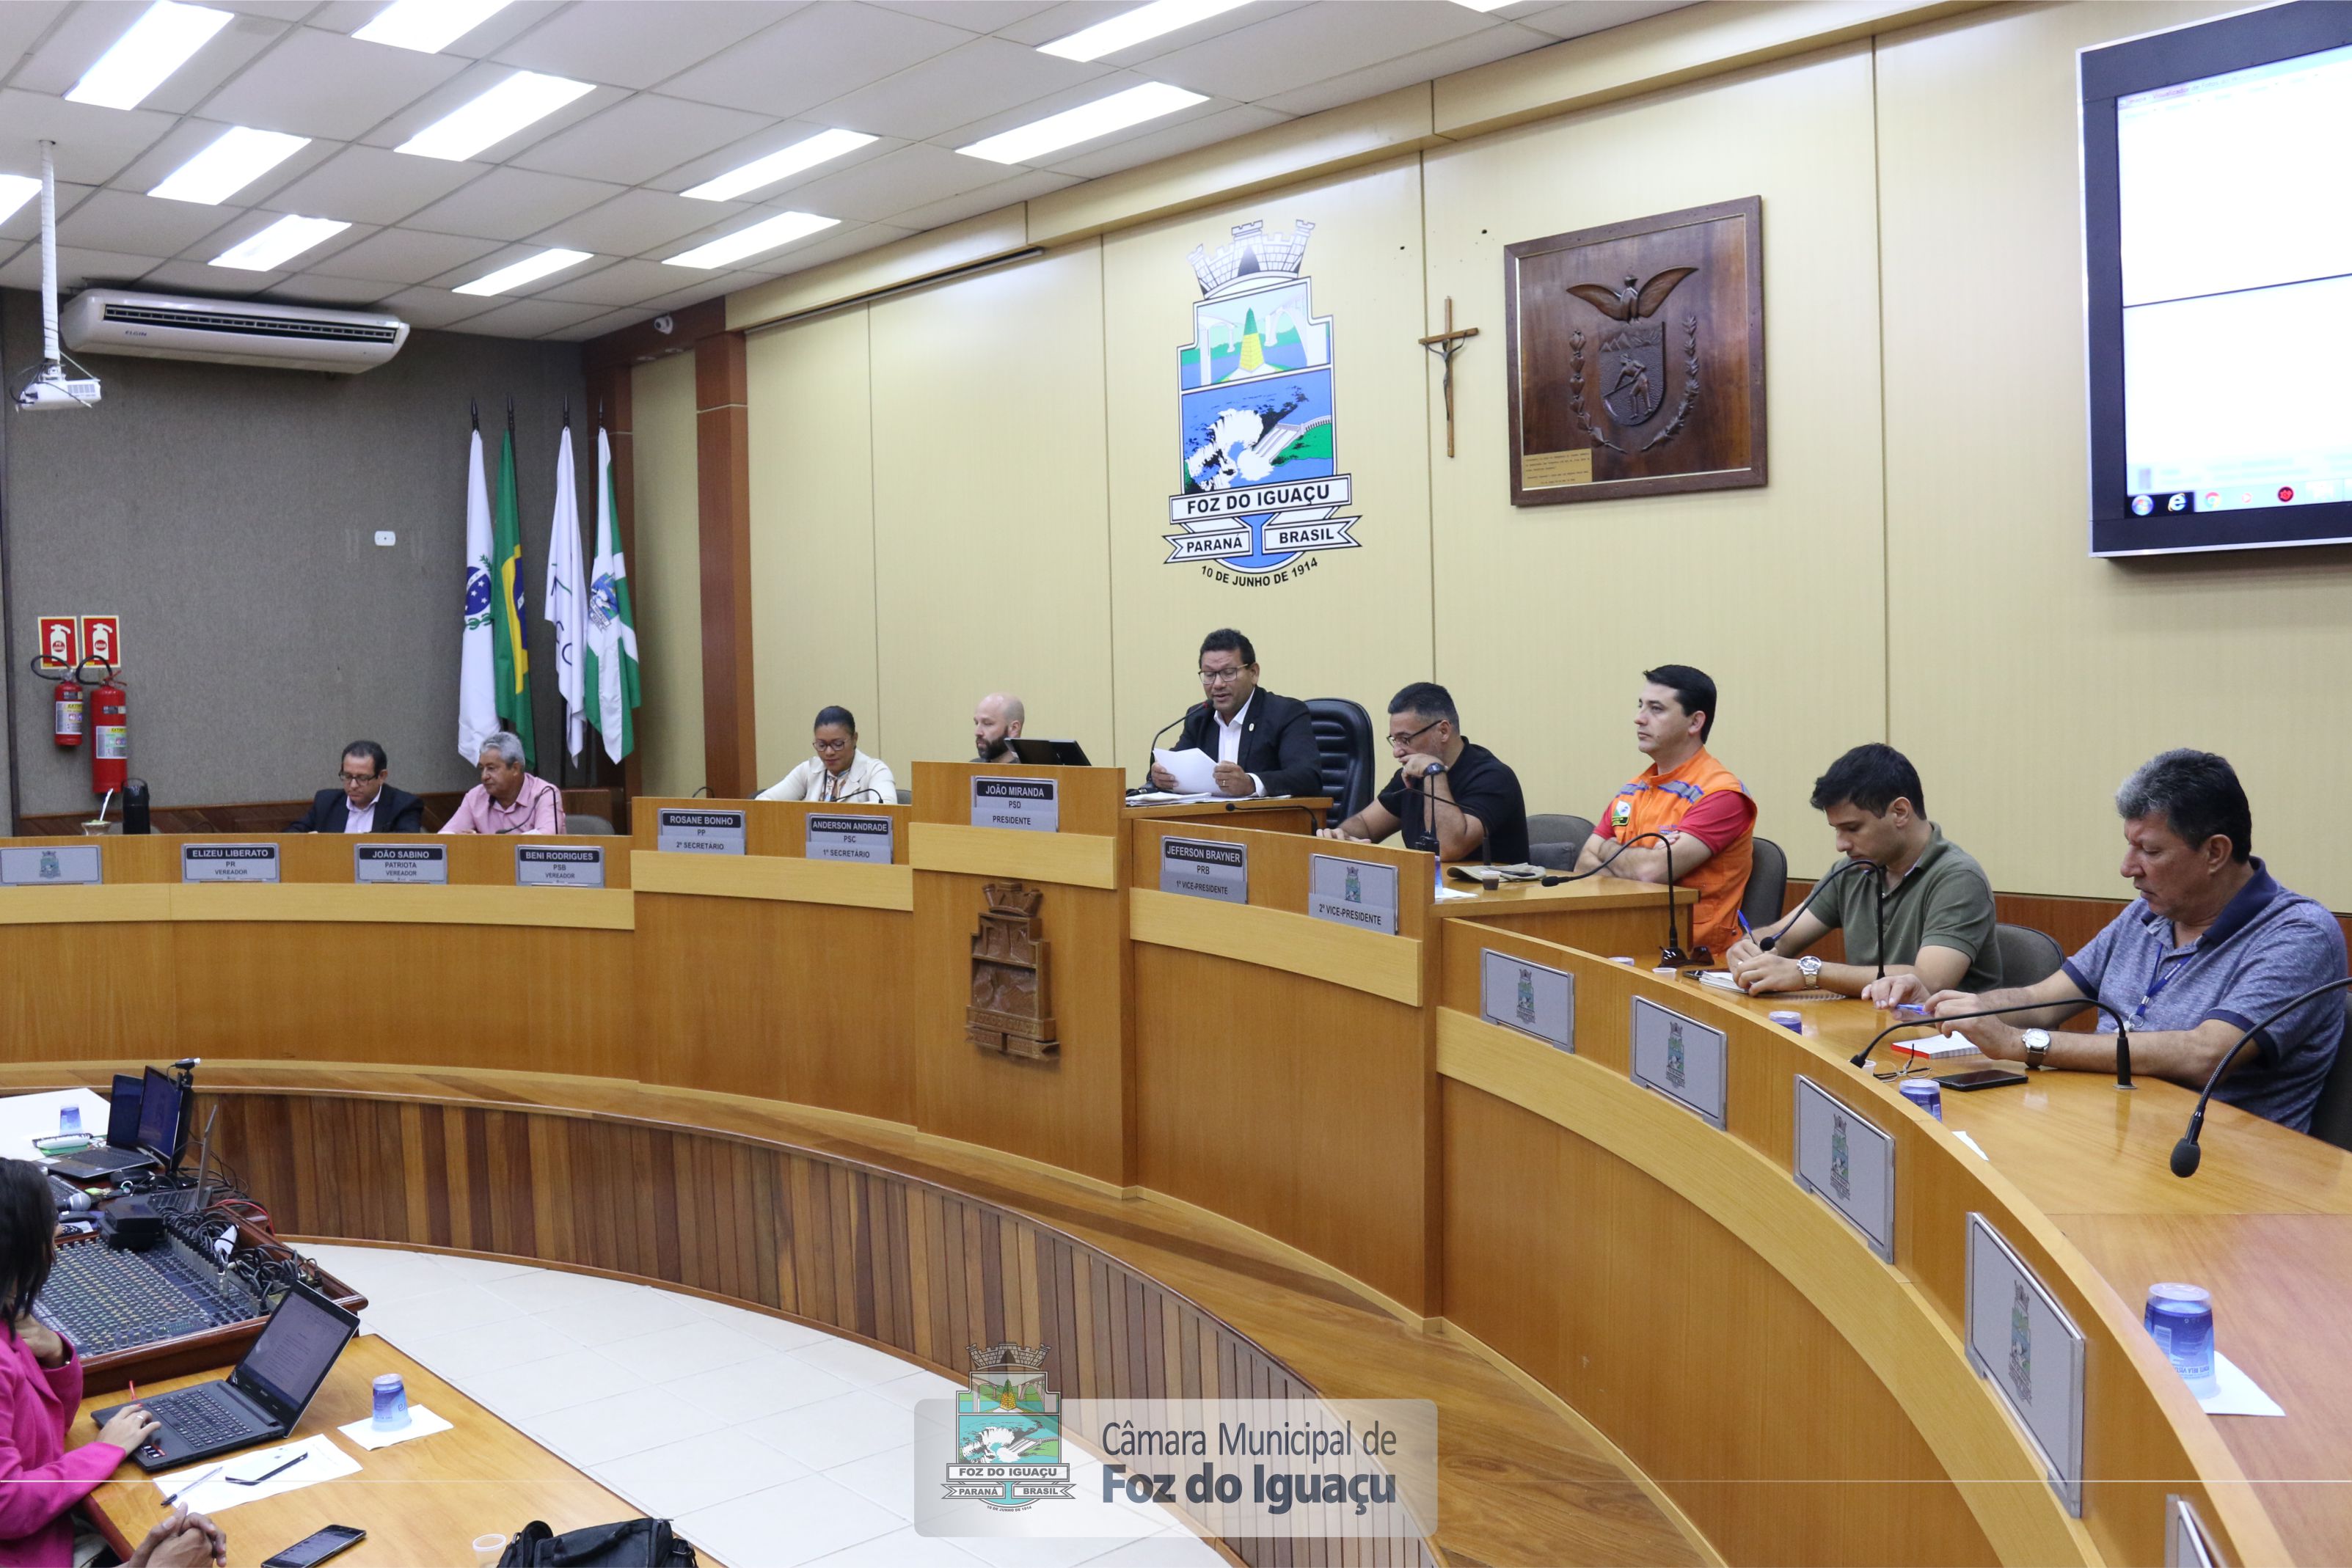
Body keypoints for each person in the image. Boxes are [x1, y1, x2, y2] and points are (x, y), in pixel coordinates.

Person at [1879, 750, 2347, 1132]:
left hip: (2218, 1167)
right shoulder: (2147, 914)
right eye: (2130, 845)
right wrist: (1951, 1005)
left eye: (2150, 850)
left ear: (2215, 852)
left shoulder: (2297, 934)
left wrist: (2023, 1044)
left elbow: (2206, 1053)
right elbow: (2043, 1002)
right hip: (2109, 1129)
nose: (2127, 868)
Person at [0, 1159, 228, 1567]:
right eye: (48, 1236)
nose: (56, 1246)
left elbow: (45, 1436)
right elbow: (9, 1507)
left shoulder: (10, 1323)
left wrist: (56, 1355)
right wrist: (105, 1450)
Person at [1725, 744, 1998, 998]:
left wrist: (1810, 973)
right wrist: (1749, 948)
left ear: (1900, 812)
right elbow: (1782, 937)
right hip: (1869, 1023)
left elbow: (1929, 980)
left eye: (1852, 828)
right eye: (1837, 830)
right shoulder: (1852, 871)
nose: (1841, 845)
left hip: (1940, 1031)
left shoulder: (1959, 878)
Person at [1572, 665, 1755, 959]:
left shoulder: (1721, 795)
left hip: (1693, 959)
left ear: (1695, 722)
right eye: (1641, 705)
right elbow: (1583, 867)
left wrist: (1608, 850)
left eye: (1656, 709)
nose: (1639, 718)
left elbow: (1650, 872)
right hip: (1625, 940)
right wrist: (1635, 861)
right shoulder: (1632, 791)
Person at [1318, 683, 1528, 862]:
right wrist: (1342, 836)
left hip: (1490, 896)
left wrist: (1434, 772)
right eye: (1394, 740)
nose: (1397, 751)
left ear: (1443, 731)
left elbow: (1446, 849)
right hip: (1428, 891)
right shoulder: (1411, 775)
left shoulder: (1493, 777)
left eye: (1405, 739)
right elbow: (1365, 824)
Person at [1146, 629, 1321, 799]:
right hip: (1208, 817)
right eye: (1209, 675)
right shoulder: (1199, 717)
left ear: (1253, 673)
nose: (1218, 684)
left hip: (1265, 817)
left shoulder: (1285, 713)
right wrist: (1159, 776)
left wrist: (1251, 783)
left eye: (1228, 673)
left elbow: (1308, 777)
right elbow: (1174, 766)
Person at [759, 707, 896, 803]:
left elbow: (887, 807)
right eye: (822, 745)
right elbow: (763, 802)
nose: (829, 752)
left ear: (854, 739)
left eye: (837, 744)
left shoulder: (875, 771)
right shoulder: (808, 770)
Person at [288, 741, 424, 833]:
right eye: (347, 776)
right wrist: (307, 841)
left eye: (362, 778)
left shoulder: (404, 805)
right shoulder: (326, 801)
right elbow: (291, 834)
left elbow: (406, 847)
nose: (353, 785)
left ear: (382, 776)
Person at [442, 733, 566, 834]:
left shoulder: (545, 793)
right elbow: (445, 836)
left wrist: (482, 843)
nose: (484, 776)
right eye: (481, 769)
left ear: (515, 769)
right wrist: (462, 841)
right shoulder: (475, 796)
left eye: (491, 768)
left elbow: (545, 839)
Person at [973, 694, 1025, 763]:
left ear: (1014, 728)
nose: (977, 732)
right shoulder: (970, 767)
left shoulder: (1033, 770)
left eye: (987, 723)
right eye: (977, 723)